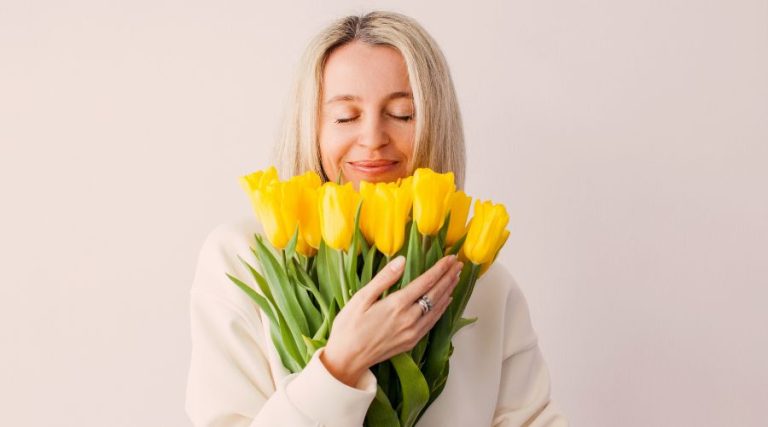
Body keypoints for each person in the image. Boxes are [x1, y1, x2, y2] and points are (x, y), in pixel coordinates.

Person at [185, 10, 568, 427]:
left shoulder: (482, 281)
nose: (372, 139)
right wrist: (341, 365)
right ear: (311, 127)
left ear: (436, 125)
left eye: (403, 114)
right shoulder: (245, 258)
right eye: (346, 117)